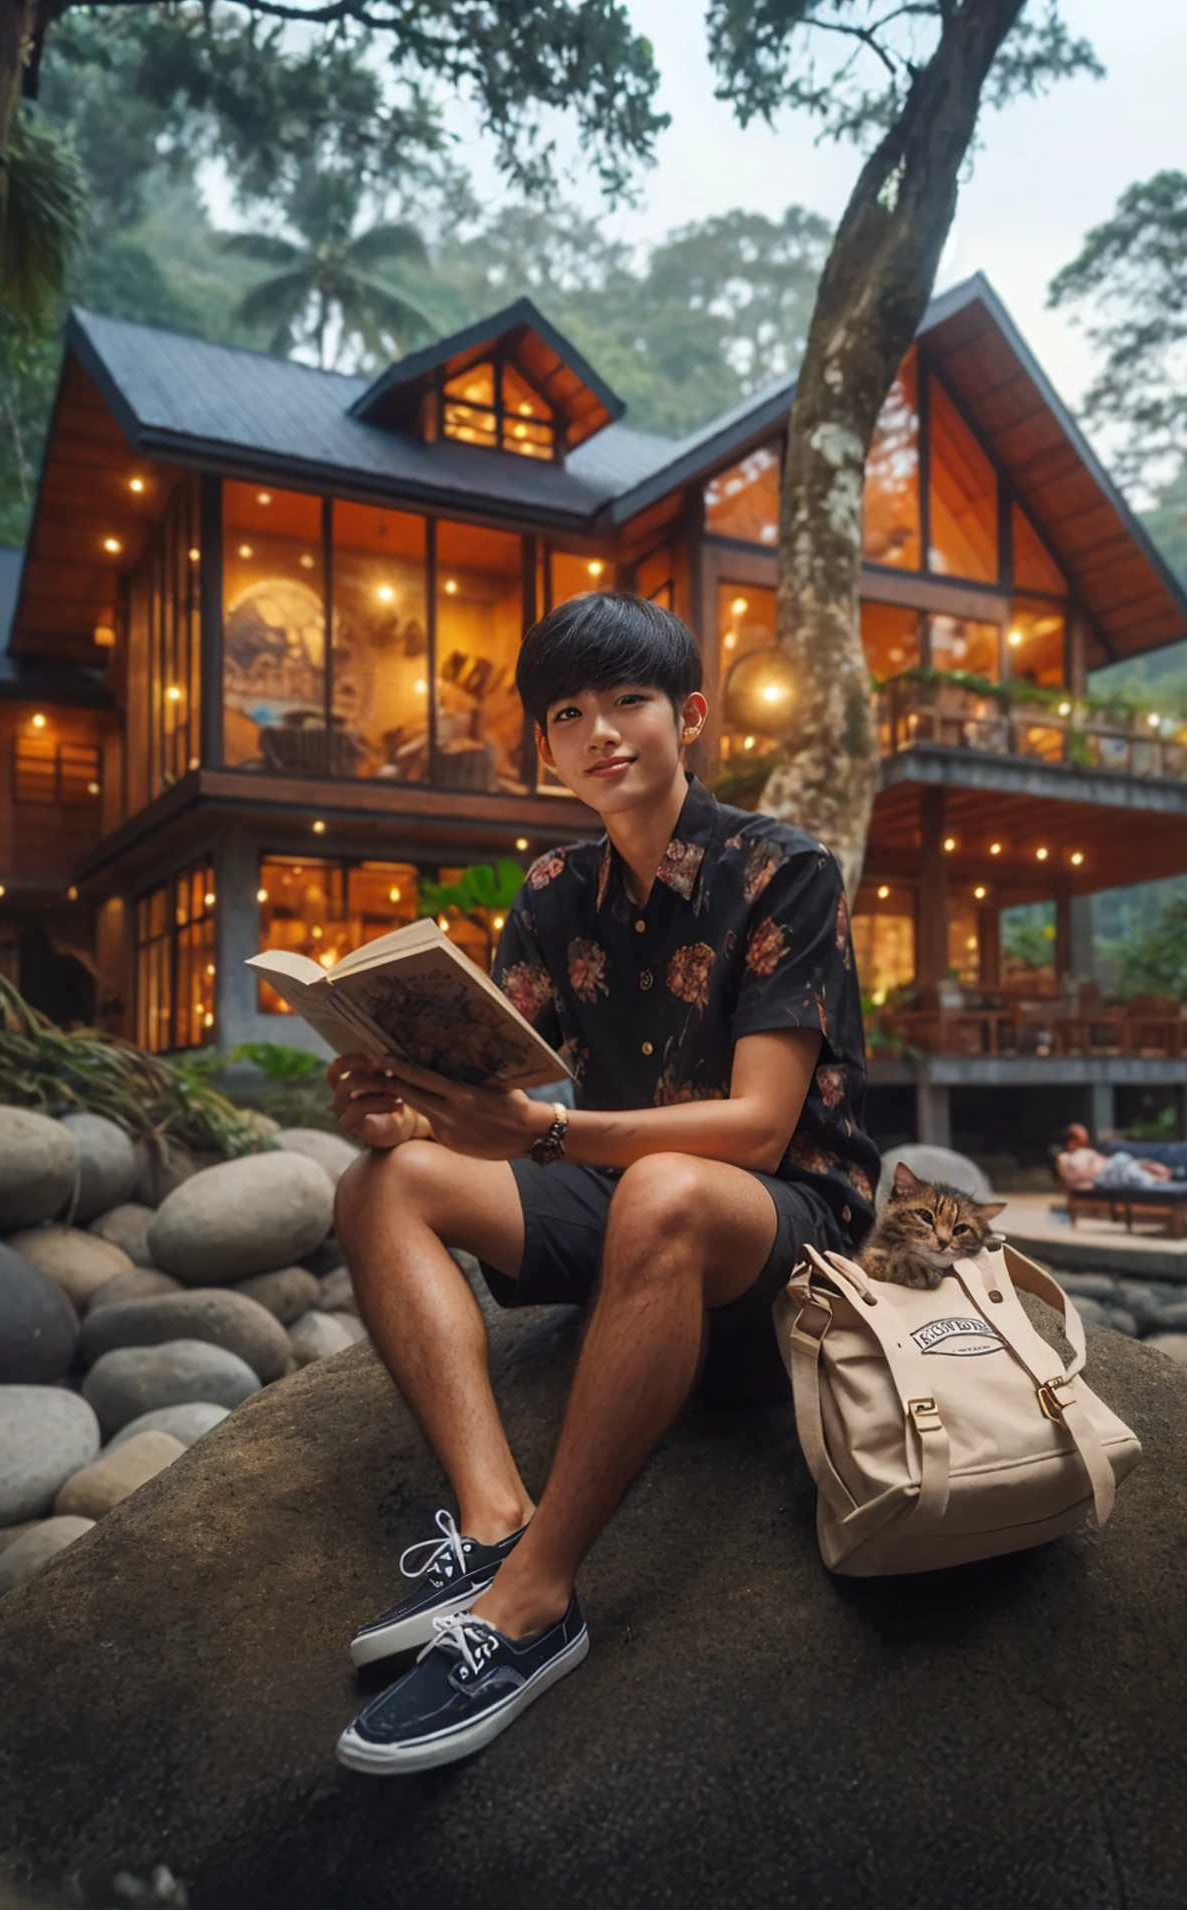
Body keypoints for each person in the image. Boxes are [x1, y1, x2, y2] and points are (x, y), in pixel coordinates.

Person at [326, 591, 878, 1775]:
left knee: (667, 1187)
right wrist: (409, 1109)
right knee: (383, 1183)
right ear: (546, 748)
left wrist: (540, 1135)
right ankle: (492, 1525)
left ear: (689, 716)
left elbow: (764, 1127)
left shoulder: (781, 869)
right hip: (617, 1193)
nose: (601, 731)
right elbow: (505, 1093)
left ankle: (535, 1603)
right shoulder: (551, 890)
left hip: (776, 1221)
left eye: (630, 700)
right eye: (569, 712)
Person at [1055, 1122, 1173, 1192]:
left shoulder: (1083, 1152)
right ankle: (1155, 1179)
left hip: (1111, 1164)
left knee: (1136, 1163)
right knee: (1130, 1170)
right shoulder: (1067, 1158)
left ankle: (1160, 1172)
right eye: (1079, 1139)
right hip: (1105, 1175)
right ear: (1070, 1142)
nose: (1084, 1140)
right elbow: (1074, 1181)